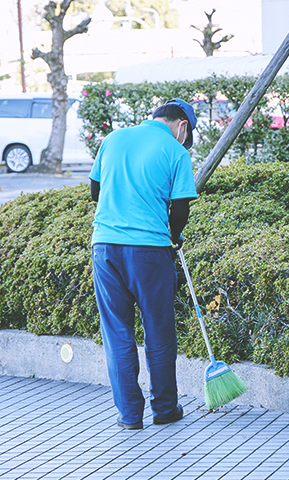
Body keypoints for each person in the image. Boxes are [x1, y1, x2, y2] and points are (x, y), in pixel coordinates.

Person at [89, 98, 198, 430]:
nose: (185, 141)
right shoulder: (176, 152)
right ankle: (165, 409)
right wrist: (174, 236)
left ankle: (129, 415)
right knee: (159, 332)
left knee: (118, 333)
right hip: (149, 252)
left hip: (105, 248)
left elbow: (95, 191)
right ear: (182, 126)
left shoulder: (113, 140)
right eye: (187, 134)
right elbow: (180, 209)